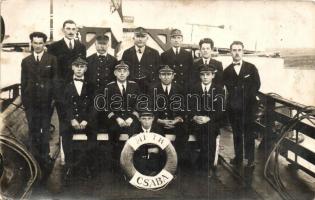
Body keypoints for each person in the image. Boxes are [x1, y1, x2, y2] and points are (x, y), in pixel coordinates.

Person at [47, 20, 86, 160]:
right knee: (65, 121)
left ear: (76, 31)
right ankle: (66, 157)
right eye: (68, 28)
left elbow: (83, 67)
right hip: (61, 91)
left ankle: (78, 156)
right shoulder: (54, 47)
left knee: (78, 118)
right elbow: (52, 71)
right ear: (63, 30)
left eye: (73, 29)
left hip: (78, 90)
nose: (70, 31)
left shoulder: (81, 47)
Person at [21, 31, 57, 179]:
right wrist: (25, 101)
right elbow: (23, 83)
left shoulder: (52, 59)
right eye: (35, 43)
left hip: (46, 102)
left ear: (44, 44)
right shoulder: (26, 61)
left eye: (40, 43)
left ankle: (45, 157)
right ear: (31, 43)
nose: (37, 46)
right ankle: (33, 157)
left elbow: (55, 80)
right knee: (33, 129)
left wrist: (53, 98)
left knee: (45, 128)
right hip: (31, 102)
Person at [223, 41, 261, 168]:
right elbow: (228, 88)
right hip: (234, 108)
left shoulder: (251, 67)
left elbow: (257, 85)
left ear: (243, 52)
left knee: (249, 133)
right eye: (234, 50)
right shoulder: (227, 70)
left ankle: (250, 160)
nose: (237, 52)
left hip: (249, 107)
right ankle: (238, 157)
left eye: (239, 50)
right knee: (237, 133)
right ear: (230, 52)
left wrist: (246, 97)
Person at [62, 57, 97, 180]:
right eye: (76, 66)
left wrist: (86, 120)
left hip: (86, 120)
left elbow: (94, 105)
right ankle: (70, 166)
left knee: (93, 135)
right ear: (72, 67)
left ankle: (88, 167)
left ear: (86, 69)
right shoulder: (65, 84)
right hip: (71, 120)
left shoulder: (91, 85)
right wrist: (72, 119)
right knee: (65, 134)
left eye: (82, 67)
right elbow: (64, 105)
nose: (79, 69)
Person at [189, 64, 225, 177]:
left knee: (209, 131)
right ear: (199, 76)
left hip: (211, 121)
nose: (205, 77)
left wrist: (208, 118)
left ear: (213, 75)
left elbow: (221, 110)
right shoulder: (193, 88)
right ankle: (195, 163)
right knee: (190, 130)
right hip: (195, 120)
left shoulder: (219, 89)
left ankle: (207, 166)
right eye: (202, 74)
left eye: (208, 74)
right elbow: (188, 106)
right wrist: (194, 117)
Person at [148, 64, 187, 163]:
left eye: (169, 74)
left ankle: (175, 163)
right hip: (158, 122)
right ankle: (159, 164)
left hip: (175, 122)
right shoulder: (152, 89)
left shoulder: (180, 89)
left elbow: (185, 107)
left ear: (173, 75)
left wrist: (176, 120)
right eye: (163, 74)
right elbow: (150, 108)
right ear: (159, 76)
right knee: (155, 134)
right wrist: (160, 121)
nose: (166, 77)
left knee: (183, 132)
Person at [105, 61, 140, 169]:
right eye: (119, 71)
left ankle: (134, 164)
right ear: (115, 73)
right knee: (113, 134)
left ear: (128, 73)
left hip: (131, 118)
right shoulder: (109, 87)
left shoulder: (134, 86)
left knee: (135, 136)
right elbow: (106, 107)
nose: (122, 73)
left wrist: (132, 118)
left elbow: (139, 104)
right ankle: (116, 165)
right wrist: (117, 118)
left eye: (124, 71)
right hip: (116, 119)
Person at [86, 35, 118, 131]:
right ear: (95, 45)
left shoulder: (113, 60)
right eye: (99, 44)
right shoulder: (88, 60)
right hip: (92, 95)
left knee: (108, 123)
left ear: (108, 45)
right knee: (93, 122)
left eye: (104, 44)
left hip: (108, 96)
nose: (102, 46)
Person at [121, 27, 160, 93]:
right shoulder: (127, 53)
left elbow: (158, 72)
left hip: (149, 89)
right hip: (131, 89)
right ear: (133, 38)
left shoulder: (154, 53)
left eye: (143, 36)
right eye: (138, 36)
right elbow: (123, 71)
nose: (140, 39)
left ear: (147, 38)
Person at [133, 110, 165, 176]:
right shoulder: (134, 129)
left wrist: (158, 149)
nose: (147, 121)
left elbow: (164, 147)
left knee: (156, 161)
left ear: (153, 119)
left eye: (149, 119)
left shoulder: (158, 130)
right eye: (144, 119)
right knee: (139, 161)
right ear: (139, 119)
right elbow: (132, 147)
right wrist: (147, 150)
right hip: (140, 156)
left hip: (154, 157)